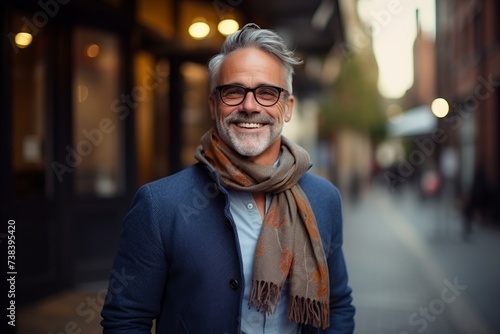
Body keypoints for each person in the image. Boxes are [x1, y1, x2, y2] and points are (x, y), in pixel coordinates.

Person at [101, 23, 355, 333]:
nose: (250, 106)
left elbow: (338, 303)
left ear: (287, 108)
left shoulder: (324, 199)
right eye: (233, 92)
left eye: (267, 93)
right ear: (213, 105)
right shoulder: (160, 206)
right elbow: (126, 320)